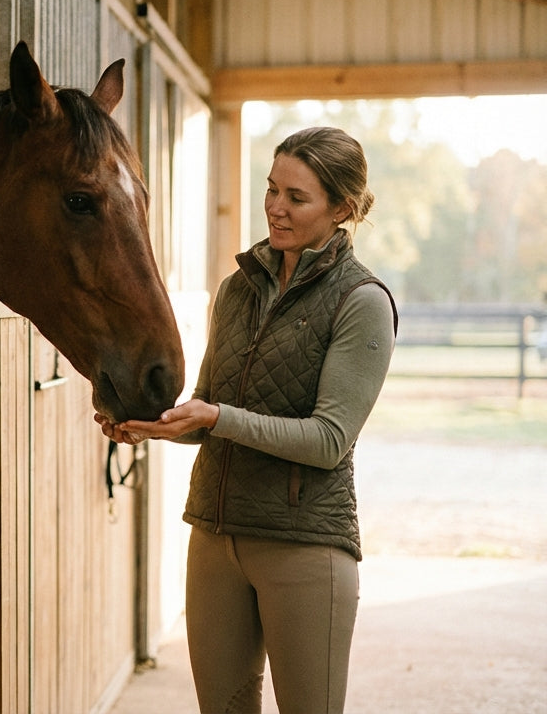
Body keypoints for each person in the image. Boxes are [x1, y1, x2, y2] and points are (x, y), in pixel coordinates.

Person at [97, 126, 397, 714]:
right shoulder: (237, 289)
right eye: (271, 188)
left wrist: (217, 417)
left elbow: (329, 440)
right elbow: (210, 407)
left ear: (341, 208)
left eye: (296, 197)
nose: (275, 208)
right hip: (214, 535)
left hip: (305, 545)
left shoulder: (361, 302)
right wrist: (151, 424)